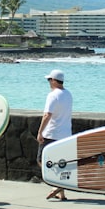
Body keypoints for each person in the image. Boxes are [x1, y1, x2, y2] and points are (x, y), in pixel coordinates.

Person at [36, 68, 73, 201]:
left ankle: (55, 184)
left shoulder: (53, 95)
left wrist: (40, 132)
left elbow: (47, 115)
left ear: (54, 81)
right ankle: (61, 193)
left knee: (41, 160)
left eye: (49, 80)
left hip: (51, 134)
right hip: (66, 134)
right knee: (59, 162)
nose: (48, 82)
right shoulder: (68, 94)